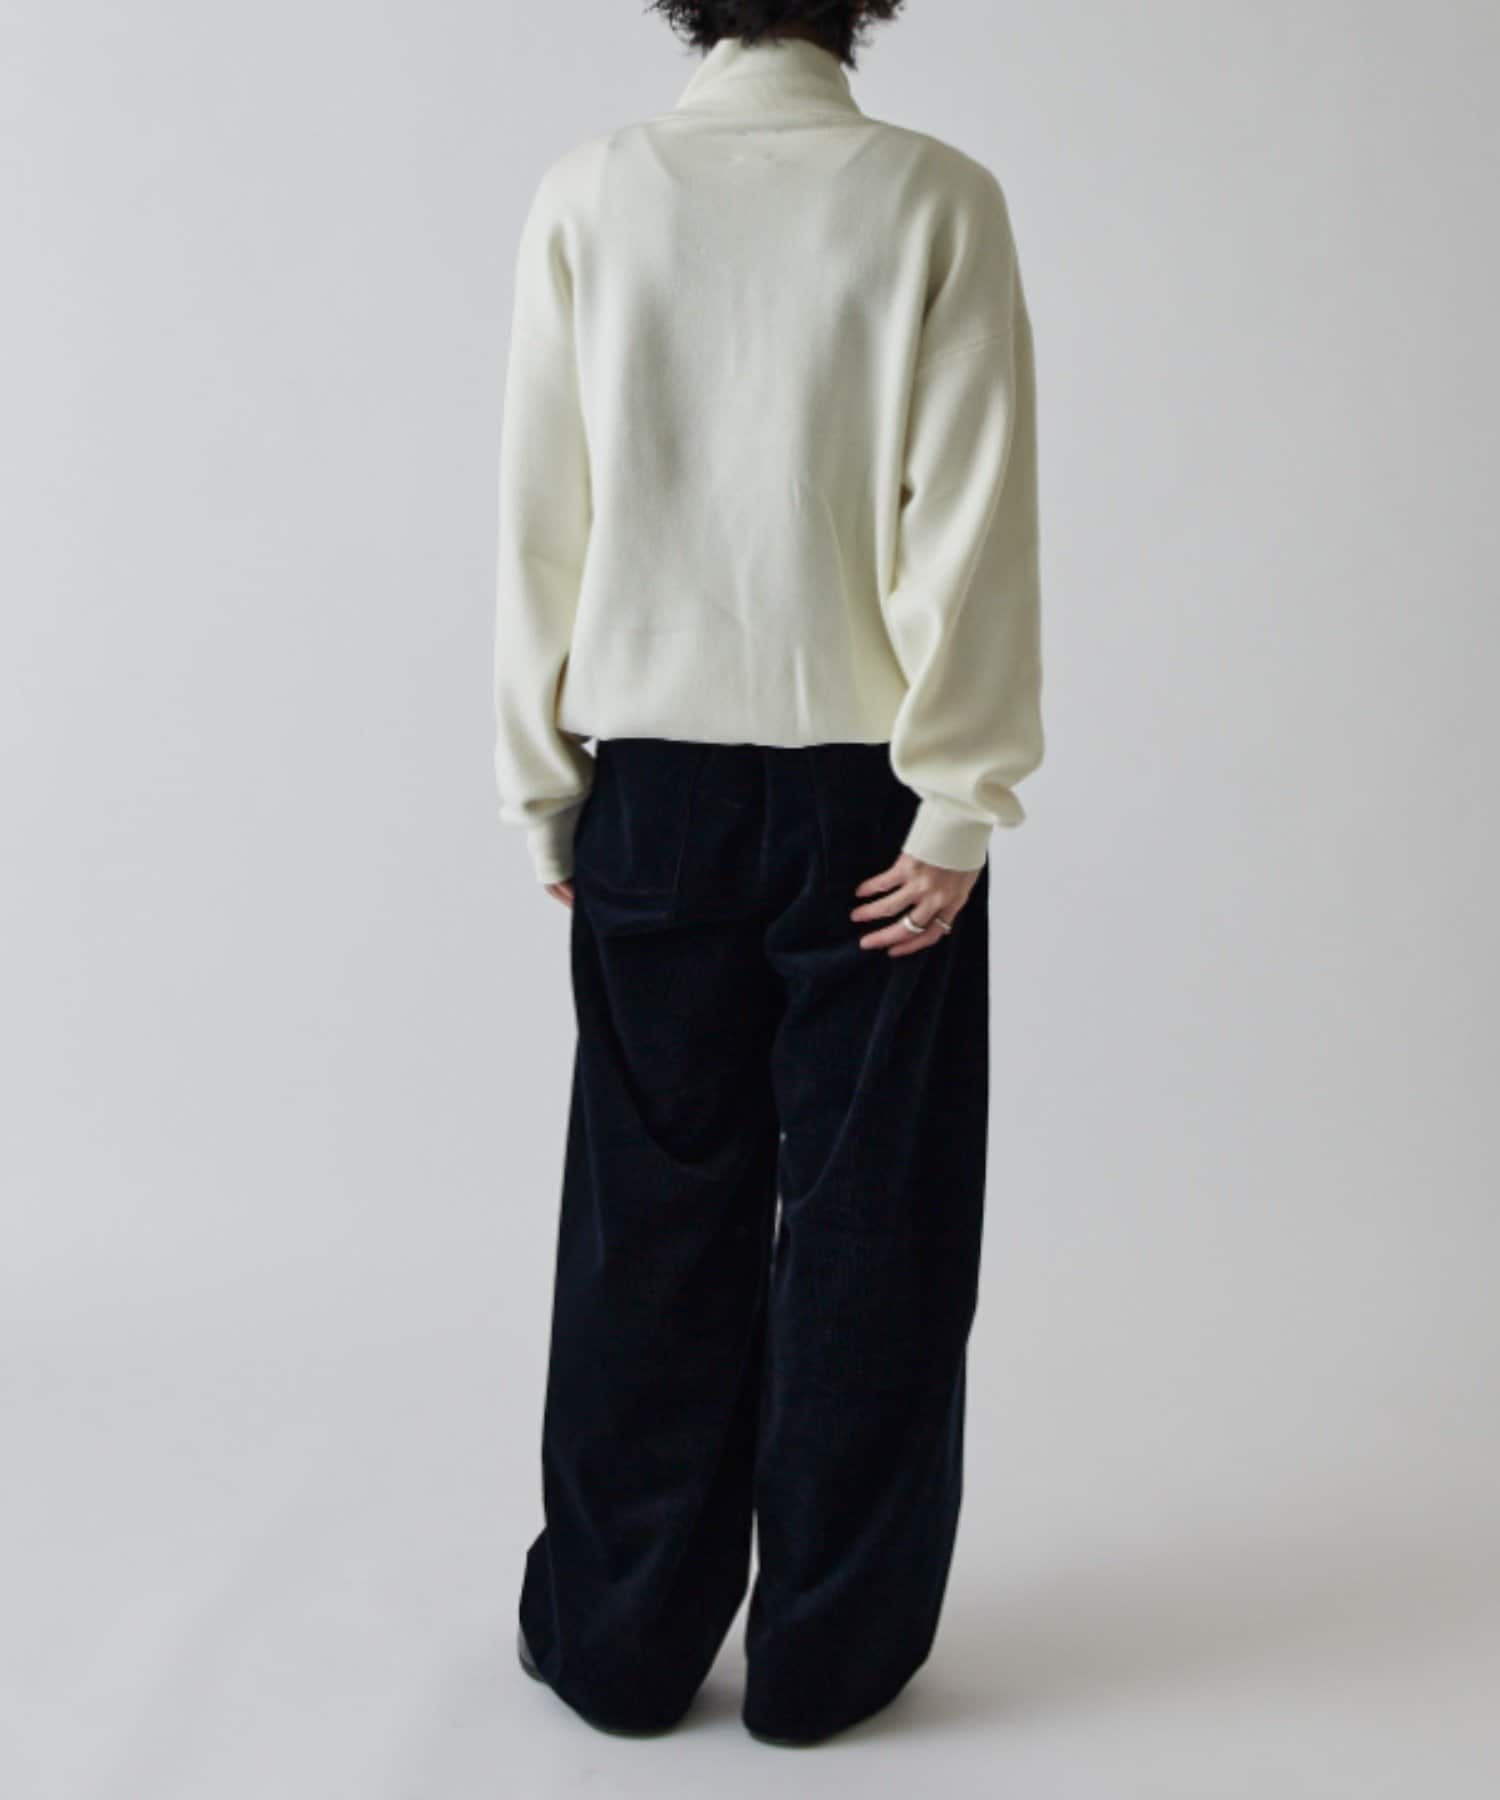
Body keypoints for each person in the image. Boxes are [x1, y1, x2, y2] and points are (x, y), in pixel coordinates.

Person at [494, 0, 1042, 1748]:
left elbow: (542, 519)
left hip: (649, 794)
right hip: (867, 802)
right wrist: (956, 805)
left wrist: (547, 793)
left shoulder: (593, 190)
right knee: (877, 1223)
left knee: (649, 1227)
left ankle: (618, 1641)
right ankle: (828, 1656)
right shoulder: (934, 195)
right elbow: (971, 513)